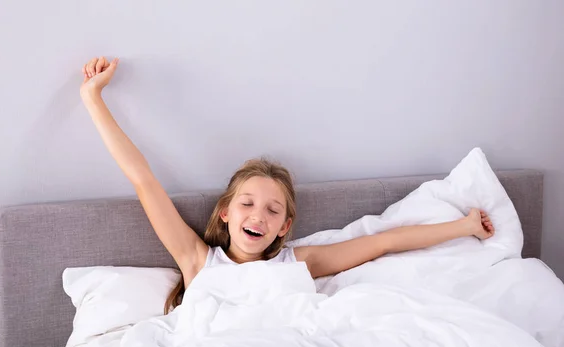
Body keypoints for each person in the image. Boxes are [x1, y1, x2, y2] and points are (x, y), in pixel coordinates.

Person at [80, 56, 495, 314]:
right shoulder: (197, 262)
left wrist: (465, 227)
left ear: (284, 227)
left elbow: (384, 243)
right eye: (247, 204)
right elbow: (143, 179)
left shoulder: (300, 264)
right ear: (225, 213)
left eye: (272, 210)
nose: (257, 216)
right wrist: (93, 98)